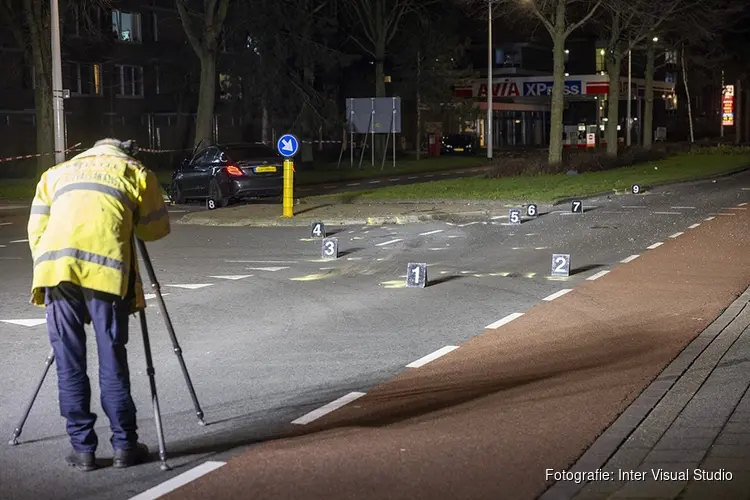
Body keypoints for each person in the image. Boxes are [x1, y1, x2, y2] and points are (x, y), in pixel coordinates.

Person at [26, 138, 171, 471]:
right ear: (124, 151)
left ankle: (83, 450)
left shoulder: (56, 172)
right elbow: (155, 229)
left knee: (69, 363)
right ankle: (124, 445)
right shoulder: (135, 170)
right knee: (112, 360)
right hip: (105, 273)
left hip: (55, 272)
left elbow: (36, 230)